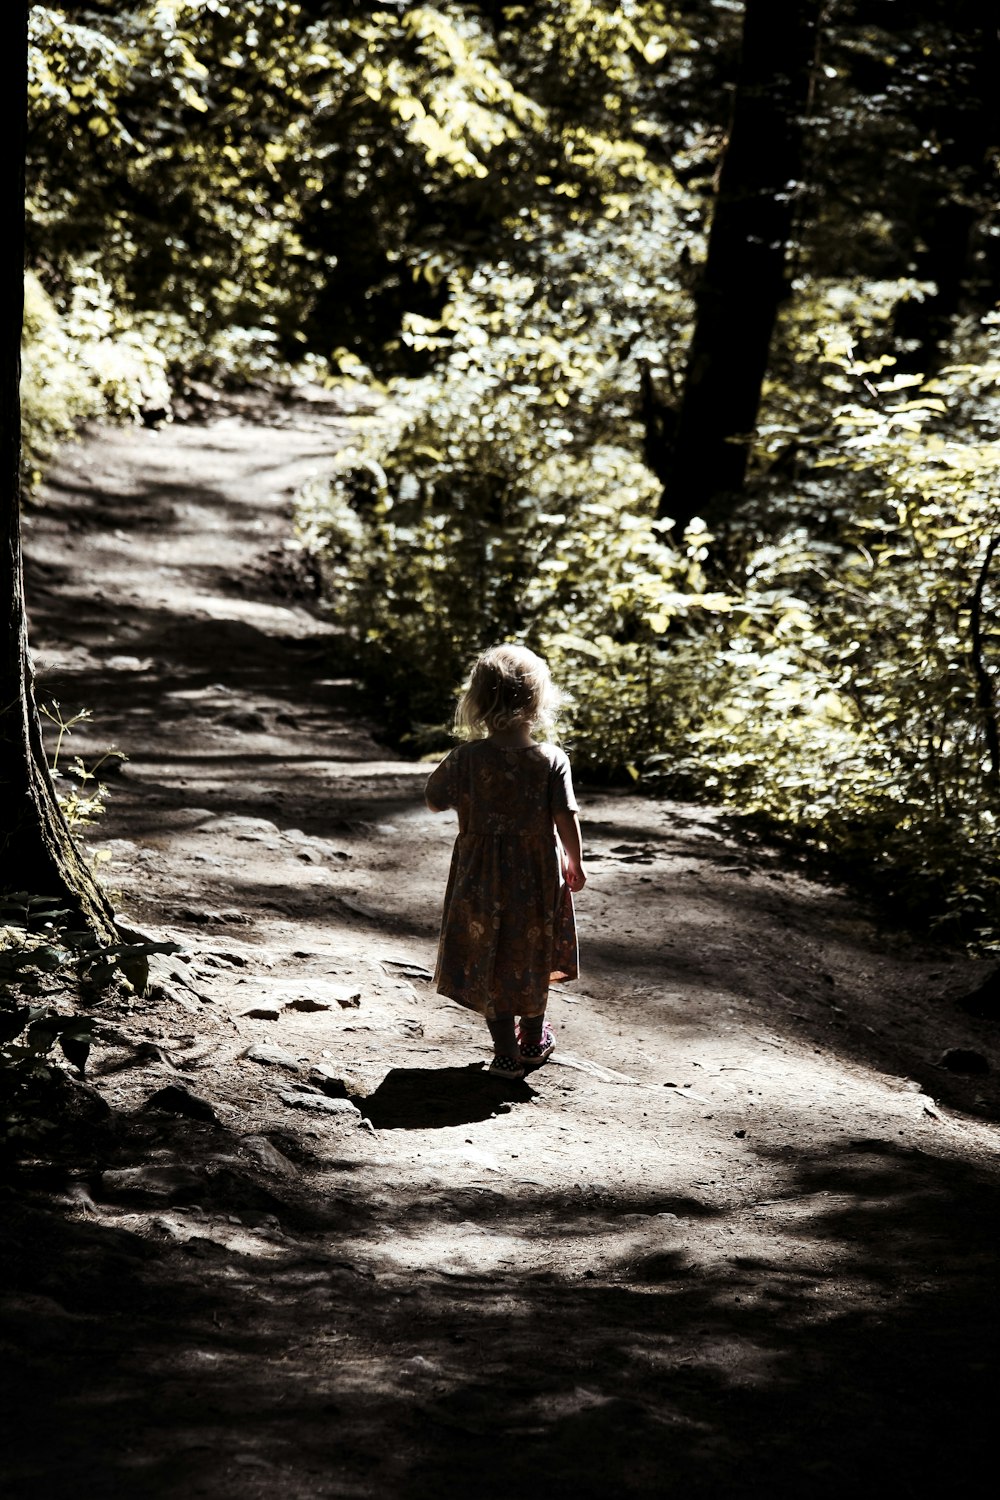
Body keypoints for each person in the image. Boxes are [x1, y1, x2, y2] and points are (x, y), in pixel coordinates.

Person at [425, 644, 586, 1079]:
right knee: (532, 948)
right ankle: (533, 1039)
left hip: (479, 878)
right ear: (538, 701)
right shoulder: (551, 759)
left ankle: (505, 1052)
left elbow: (434, 799)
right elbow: (565, 816)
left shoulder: (467, 758)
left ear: (477, 703)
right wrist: (576, 860)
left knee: (488, 953)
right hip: (536, 876)